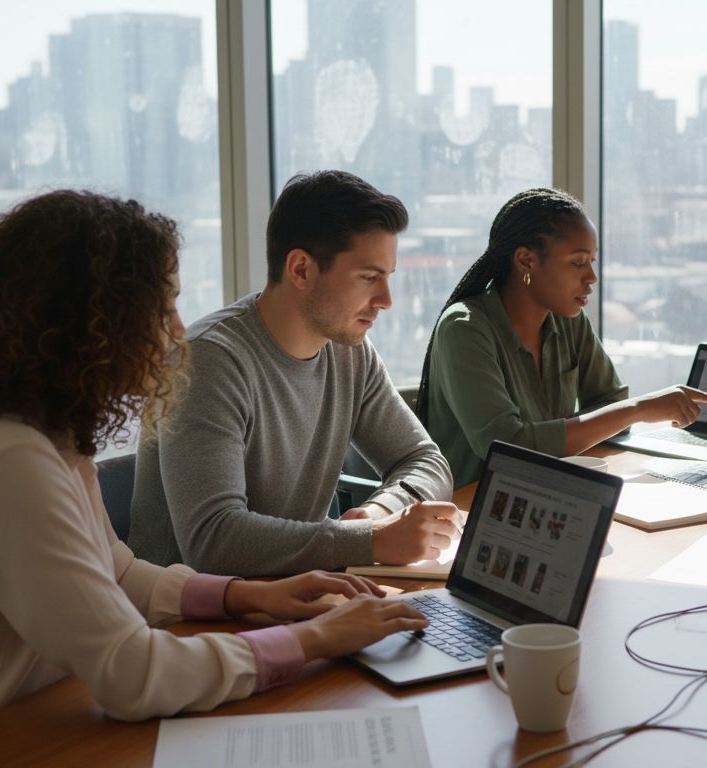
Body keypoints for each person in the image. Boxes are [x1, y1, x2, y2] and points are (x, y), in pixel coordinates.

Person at [0, 191, 428, 751]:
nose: (178, 330)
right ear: (91, 324)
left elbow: (117, 573)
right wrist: (310, 639)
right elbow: (131, 673)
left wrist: (246, 597)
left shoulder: (51, 441)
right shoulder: (11, 462)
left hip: (21, 720)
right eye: (162, 308)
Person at [128, 171, 459, 575]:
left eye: (387, 278)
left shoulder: (348, 351)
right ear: (301, 269)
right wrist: (370, 541)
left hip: (292, 598)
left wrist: (379, 512)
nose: (386, 301)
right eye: (369, 278)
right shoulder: (208, 361)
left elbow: (424, 459)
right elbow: (212, 541)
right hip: (192, 620)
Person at [418, 188, 707, 487]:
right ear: (526, 261)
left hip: (549, 493)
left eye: (592, 261)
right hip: (470, 512)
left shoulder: (569, 321)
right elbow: (507, 447)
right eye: (578, 262)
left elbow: (608, 401)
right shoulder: (465, 328)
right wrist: (639, 409)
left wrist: (617, 416)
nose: (591, 277)